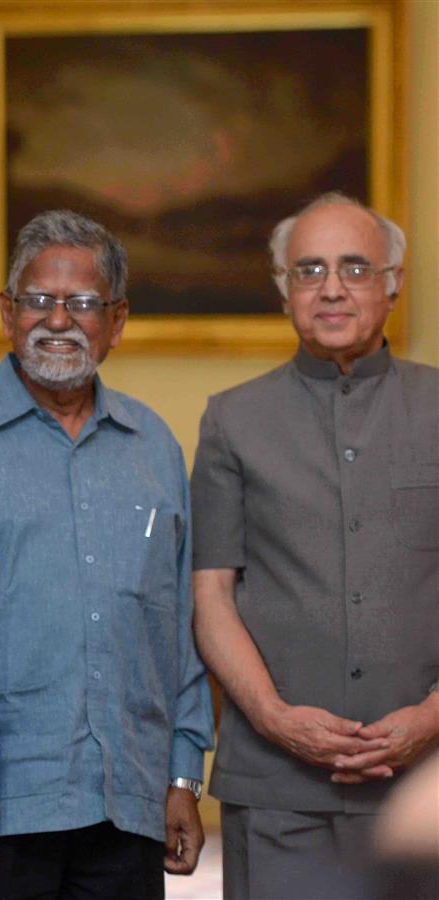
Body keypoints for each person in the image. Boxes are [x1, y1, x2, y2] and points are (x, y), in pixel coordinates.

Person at [0, 210, 215, 899]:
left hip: (126, 804)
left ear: (118, 320)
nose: (58, 320)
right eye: (40, 300)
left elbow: (178, 628)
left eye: (82, 304)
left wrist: (183, 777)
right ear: (9, 312)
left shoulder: (152, 448)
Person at [190, 192, 438, 899]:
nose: (331, 287)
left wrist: (431, 716)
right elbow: (212, 596)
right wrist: (273, 718)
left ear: (393, 282)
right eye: (309, 270)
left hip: (429, 790)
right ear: (283, 290)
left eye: (355, 267)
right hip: (278, 792)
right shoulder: (232, 421)